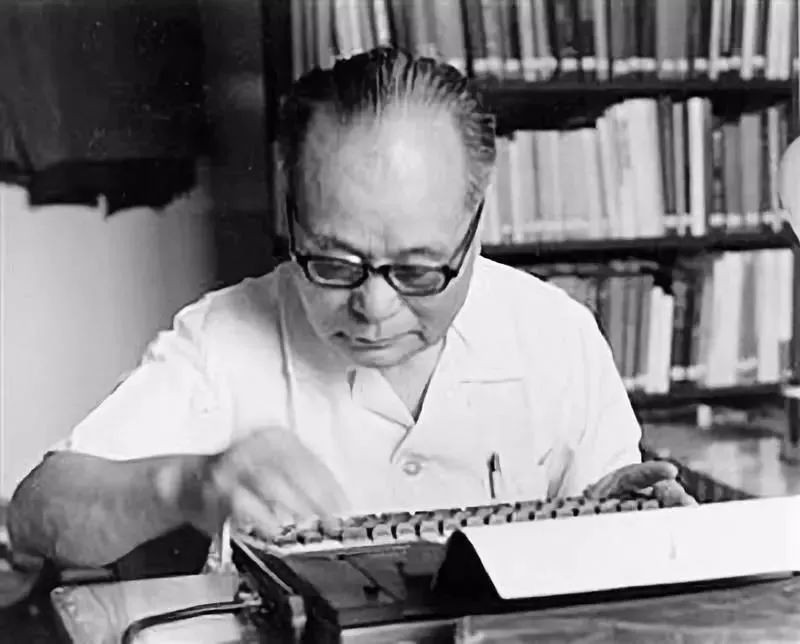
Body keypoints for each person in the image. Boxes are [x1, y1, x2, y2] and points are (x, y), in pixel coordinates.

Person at [8, 46, 694, 569]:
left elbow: (608, 558)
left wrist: (627, 526)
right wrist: (187, 484)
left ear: (476, 227)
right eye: (334, 264)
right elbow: (37, 513)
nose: (373, 306)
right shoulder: (224, 339)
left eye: (418, 270)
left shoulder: (556, 334)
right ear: (291, 214)